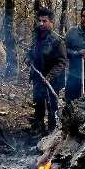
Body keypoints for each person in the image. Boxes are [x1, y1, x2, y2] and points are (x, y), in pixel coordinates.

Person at [26, 8, 66, 136]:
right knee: (38, 103)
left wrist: (49, 76)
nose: (41, 23)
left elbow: (61, 62)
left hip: (52, 80)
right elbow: (31, 52)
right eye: (39, 21)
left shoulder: (57, 41)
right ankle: (38, 127)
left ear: (51, 22)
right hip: (38, 77)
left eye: (45, 21)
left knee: (52, 105)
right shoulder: (36, 36)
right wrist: (28, 58)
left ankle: (52, 131)